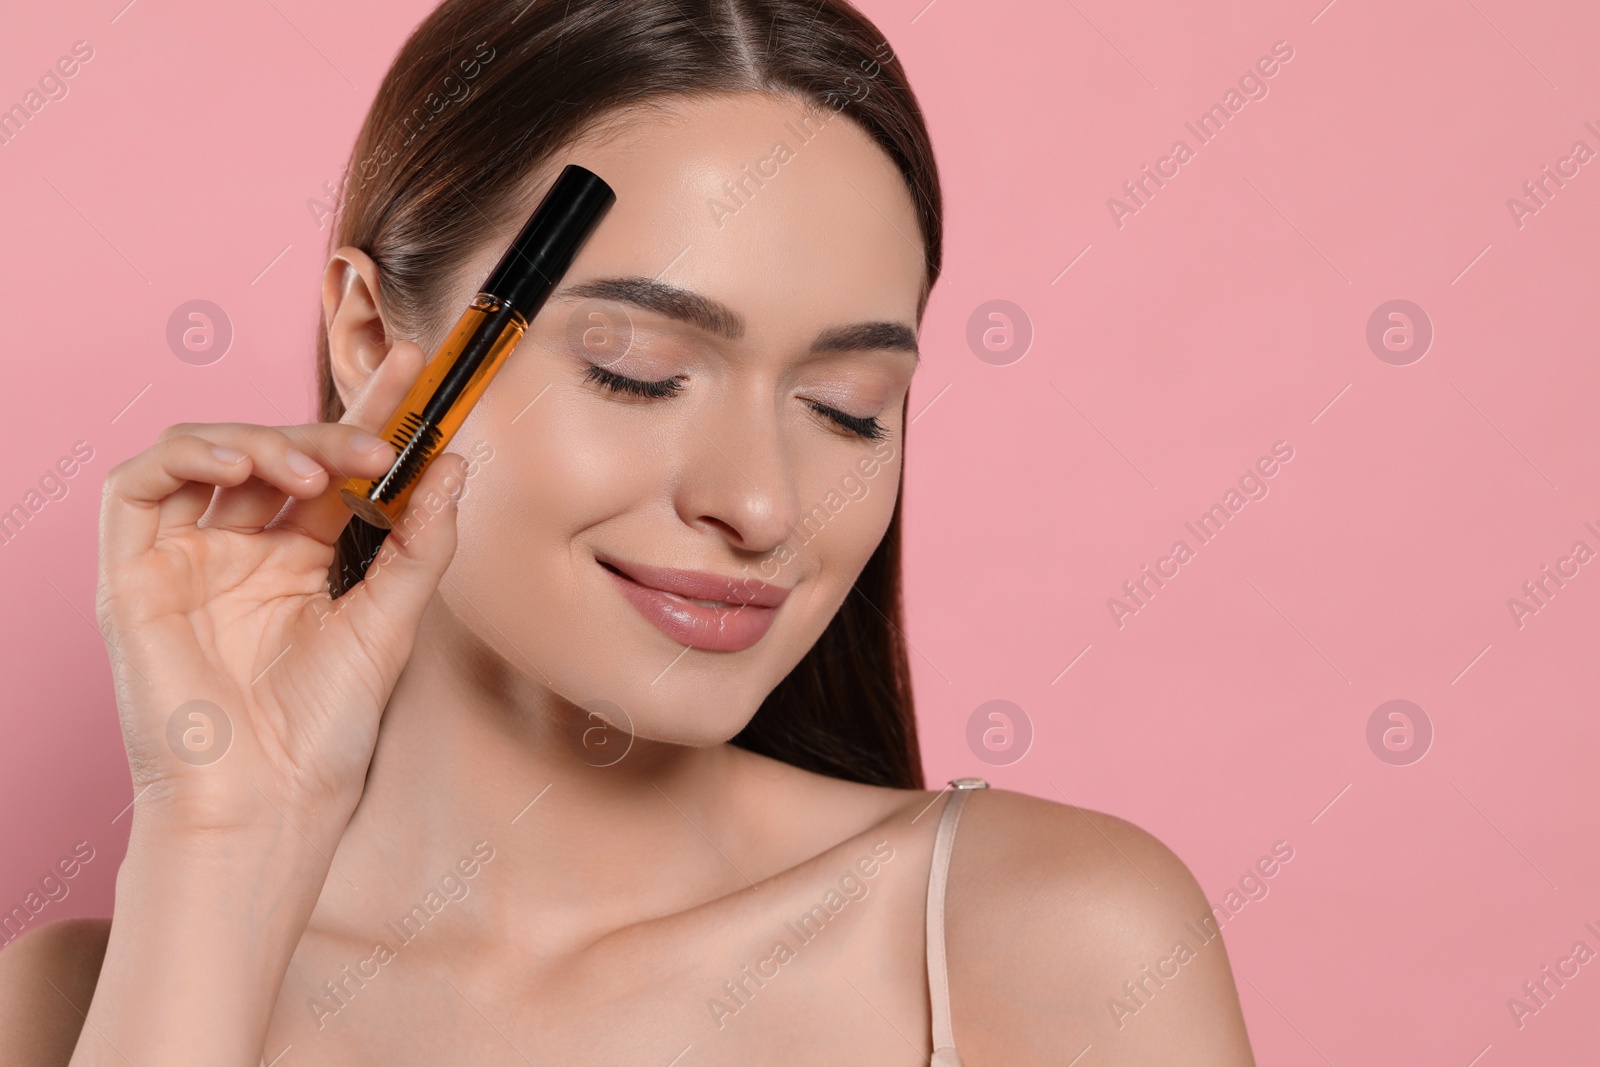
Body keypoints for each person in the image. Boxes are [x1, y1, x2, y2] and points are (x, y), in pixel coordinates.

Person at [0, 0, 1256, 1063]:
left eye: (847, 407)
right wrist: (227, 836)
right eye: (638, 370)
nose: (762, 504)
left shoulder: (1049, 945)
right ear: (377, 341)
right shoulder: (72, 1004)